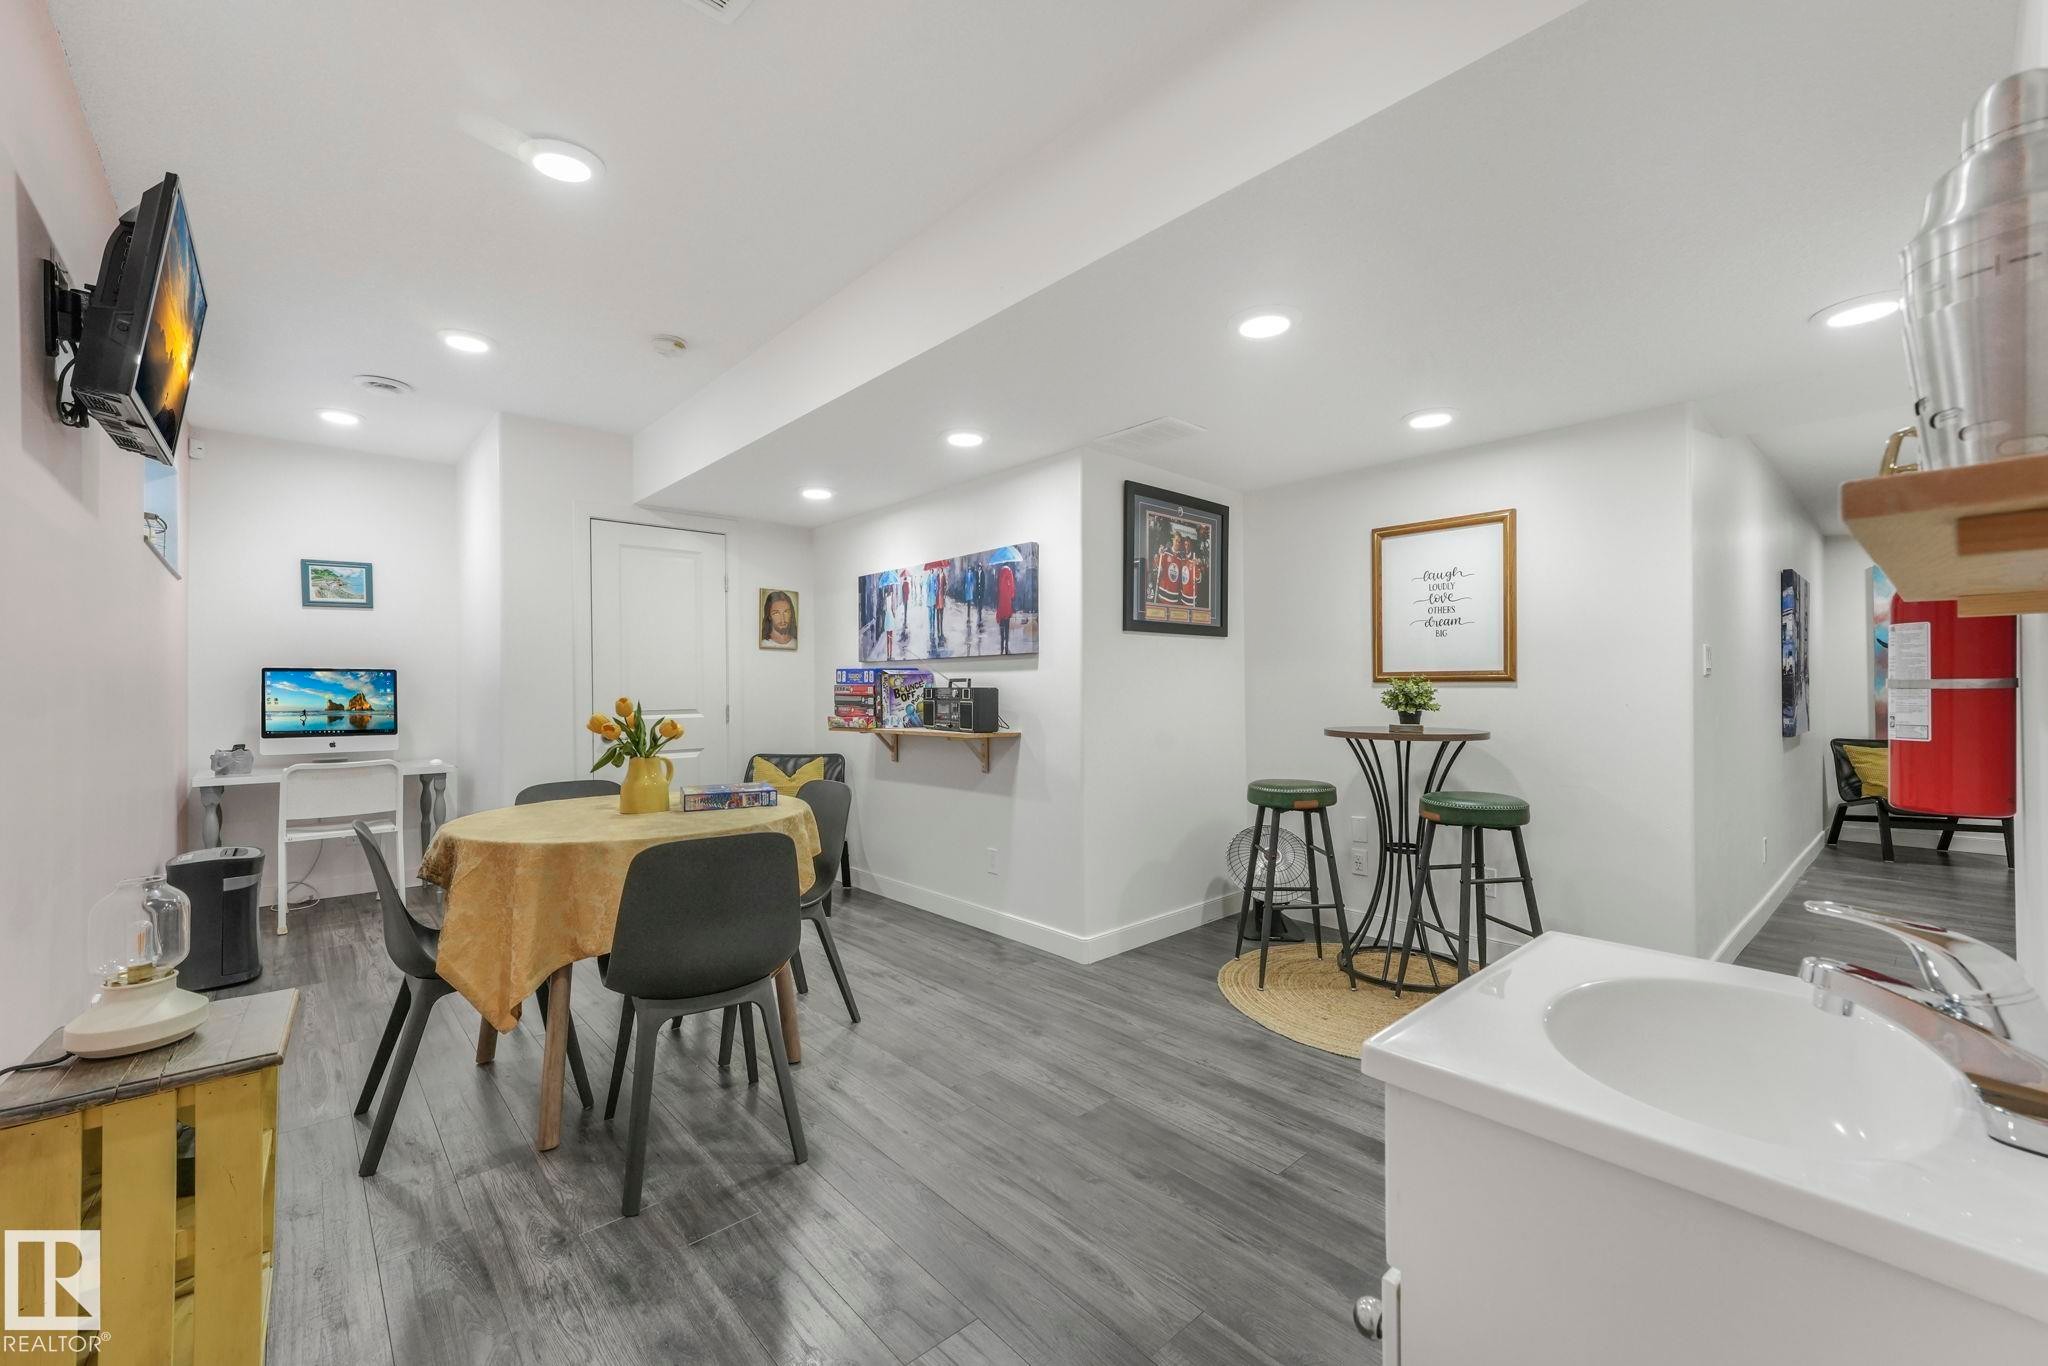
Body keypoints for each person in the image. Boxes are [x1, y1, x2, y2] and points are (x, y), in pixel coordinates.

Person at [996, 560, 1017, 655]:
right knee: (1007, 624)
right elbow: (1012, 588)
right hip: (1007, 602)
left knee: (1001, 624)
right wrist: (1011, 596)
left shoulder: (1000, 573)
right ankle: (1006, 645)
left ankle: (1001, 644)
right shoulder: (1010, 572)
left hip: (1001, 602)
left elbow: (998, 588)